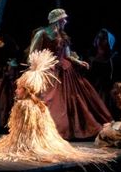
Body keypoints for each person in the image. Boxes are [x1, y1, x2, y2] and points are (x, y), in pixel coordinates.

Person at [0, 50, 111, 164]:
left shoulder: (27, 107)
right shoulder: (35, 106)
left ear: (27, 90)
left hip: (30, 141)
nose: (16, 91)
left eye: (19, 88)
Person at [29, 8, 113, 140]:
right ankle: (51, 130)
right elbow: (33, 53)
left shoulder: (63, 35)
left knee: (76, 98)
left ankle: (74, 129)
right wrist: (36, 69)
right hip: (49, 69)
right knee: (50, 99)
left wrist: (79, 62)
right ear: (57, 20)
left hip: (65, 70)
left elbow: (67, 55)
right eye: (63, 19)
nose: (65, 21)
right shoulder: (42, 34)